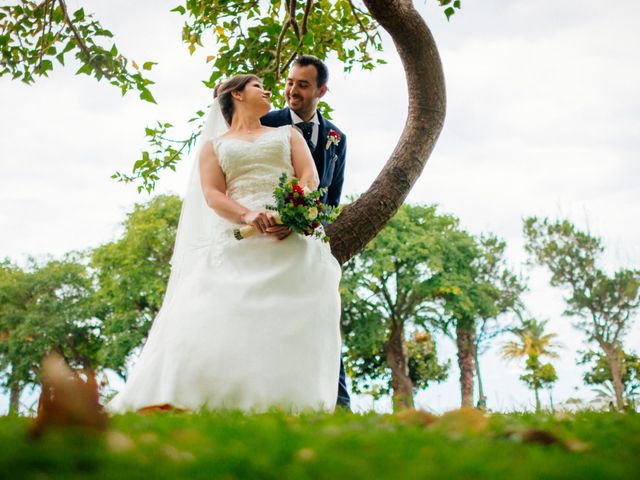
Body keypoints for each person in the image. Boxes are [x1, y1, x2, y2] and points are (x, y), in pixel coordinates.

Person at [107, 74, 342, 413]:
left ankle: (290, 403)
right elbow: (213, 194)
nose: (267, 91)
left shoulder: (288, 135)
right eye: (258, 86)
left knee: (293, 318)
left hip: (290, 236)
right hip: (239, 234)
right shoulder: (213, 147)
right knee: (220, 315)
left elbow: (309, 177)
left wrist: (293, 212)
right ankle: (217, 397)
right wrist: (247, 216)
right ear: (237, 94)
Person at [261, 55, 351, 410]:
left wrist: (311, 225)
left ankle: (337, 402)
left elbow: (331, 197)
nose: (291, 91)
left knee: (321, 316)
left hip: (312, 244)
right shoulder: (266, 124)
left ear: (321, 91)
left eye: (302, 84)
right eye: (290, 82)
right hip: (270, 239)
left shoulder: (336, 138)